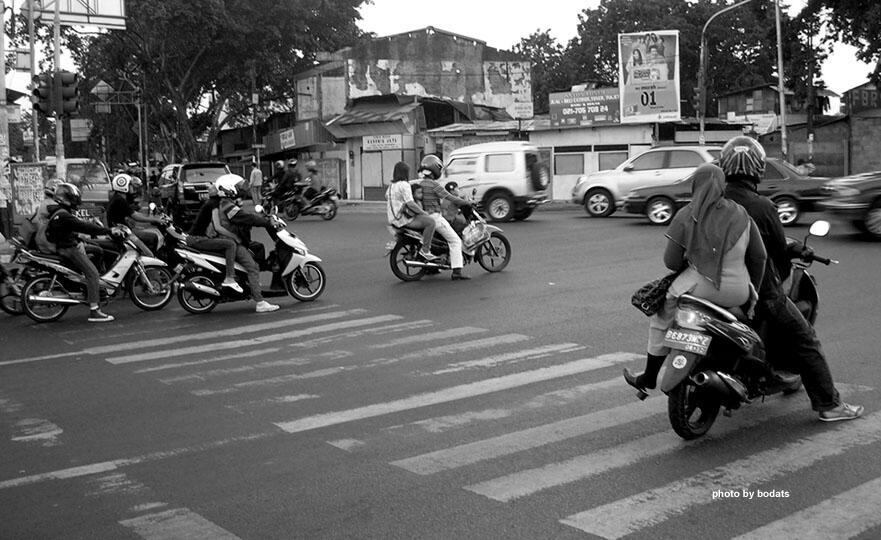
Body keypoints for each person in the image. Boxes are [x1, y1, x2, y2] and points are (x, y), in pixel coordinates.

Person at [720, 135, 863, 422]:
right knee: (806, 340)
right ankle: (829, 405)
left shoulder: (712, 202)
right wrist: (780, 273)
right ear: (759, 169)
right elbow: (776, 253)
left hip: (709, 289)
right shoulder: (762, 206)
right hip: (757, 291)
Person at [624, 163, 767, 393]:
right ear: (722, 186)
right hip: (739, 291)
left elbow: (670, 262)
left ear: (694, 186)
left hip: (699, 288)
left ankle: (649, 376)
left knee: (663, 313)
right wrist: (753, 292)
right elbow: (759, 257)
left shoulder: (686, 214)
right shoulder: (742, 214)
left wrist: (691, 259)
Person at [45, 183, 119, 323]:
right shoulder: (64, 215)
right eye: (73, 198)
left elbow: (72, 229)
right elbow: (84, 227)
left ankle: (90, 292)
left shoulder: (59, 212)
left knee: (95, 251)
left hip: (65, 245)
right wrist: (109, 231)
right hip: (69, 249)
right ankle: (94, 310)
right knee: (93, 274)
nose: (76, 201)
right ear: (66, 199)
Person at [213, 174, 280, 313]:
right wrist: (266, 222)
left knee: (256, 250)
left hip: (231, 240)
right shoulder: (227, 205)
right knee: (253, 267)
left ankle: (251, 285)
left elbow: (245, 216)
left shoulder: (227, 204)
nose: (238, 189)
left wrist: (261, 218)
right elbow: (244, 217)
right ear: (228, 188)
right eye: (236, 187)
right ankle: (260, 302)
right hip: (231, 242)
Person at [417, 154, 473, 281]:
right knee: (455, 241)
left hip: (424, 217)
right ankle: (457, 272)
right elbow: (450, 197)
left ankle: (432, 267)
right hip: (435, 217)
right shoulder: (433, 185)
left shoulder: (421, 184)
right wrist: (465, 202)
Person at [187, 185, 243, 293]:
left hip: (194, 237)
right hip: (198, 239)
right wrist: (234, 236)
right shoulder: (214, 204)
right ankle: (230, 277)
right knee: (230, 244)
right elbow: (217, 227)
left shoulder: (209, 202)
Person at [386, 161, 438, 261]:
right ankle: (425, 250)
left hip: (392, 219)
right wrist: (423, 212)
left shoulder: (391, 186)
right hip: (403, 219)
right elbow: (410, 203)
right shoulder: (404, 185)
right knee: (431, 222)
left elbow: (386, 197)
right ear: (405, 172)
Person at [107, 173, 163, 257]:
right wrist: (154, 219)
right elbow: (135, 216)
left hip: (123, 231)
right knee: (149, 253)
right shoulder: (119, 200)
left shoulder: (118, 198)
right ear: (124, 186)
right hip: (123, 234)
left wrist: (150, 217)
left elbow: (132, 213)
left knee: (152, 236)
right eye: (131, 185)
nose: (133, 189)